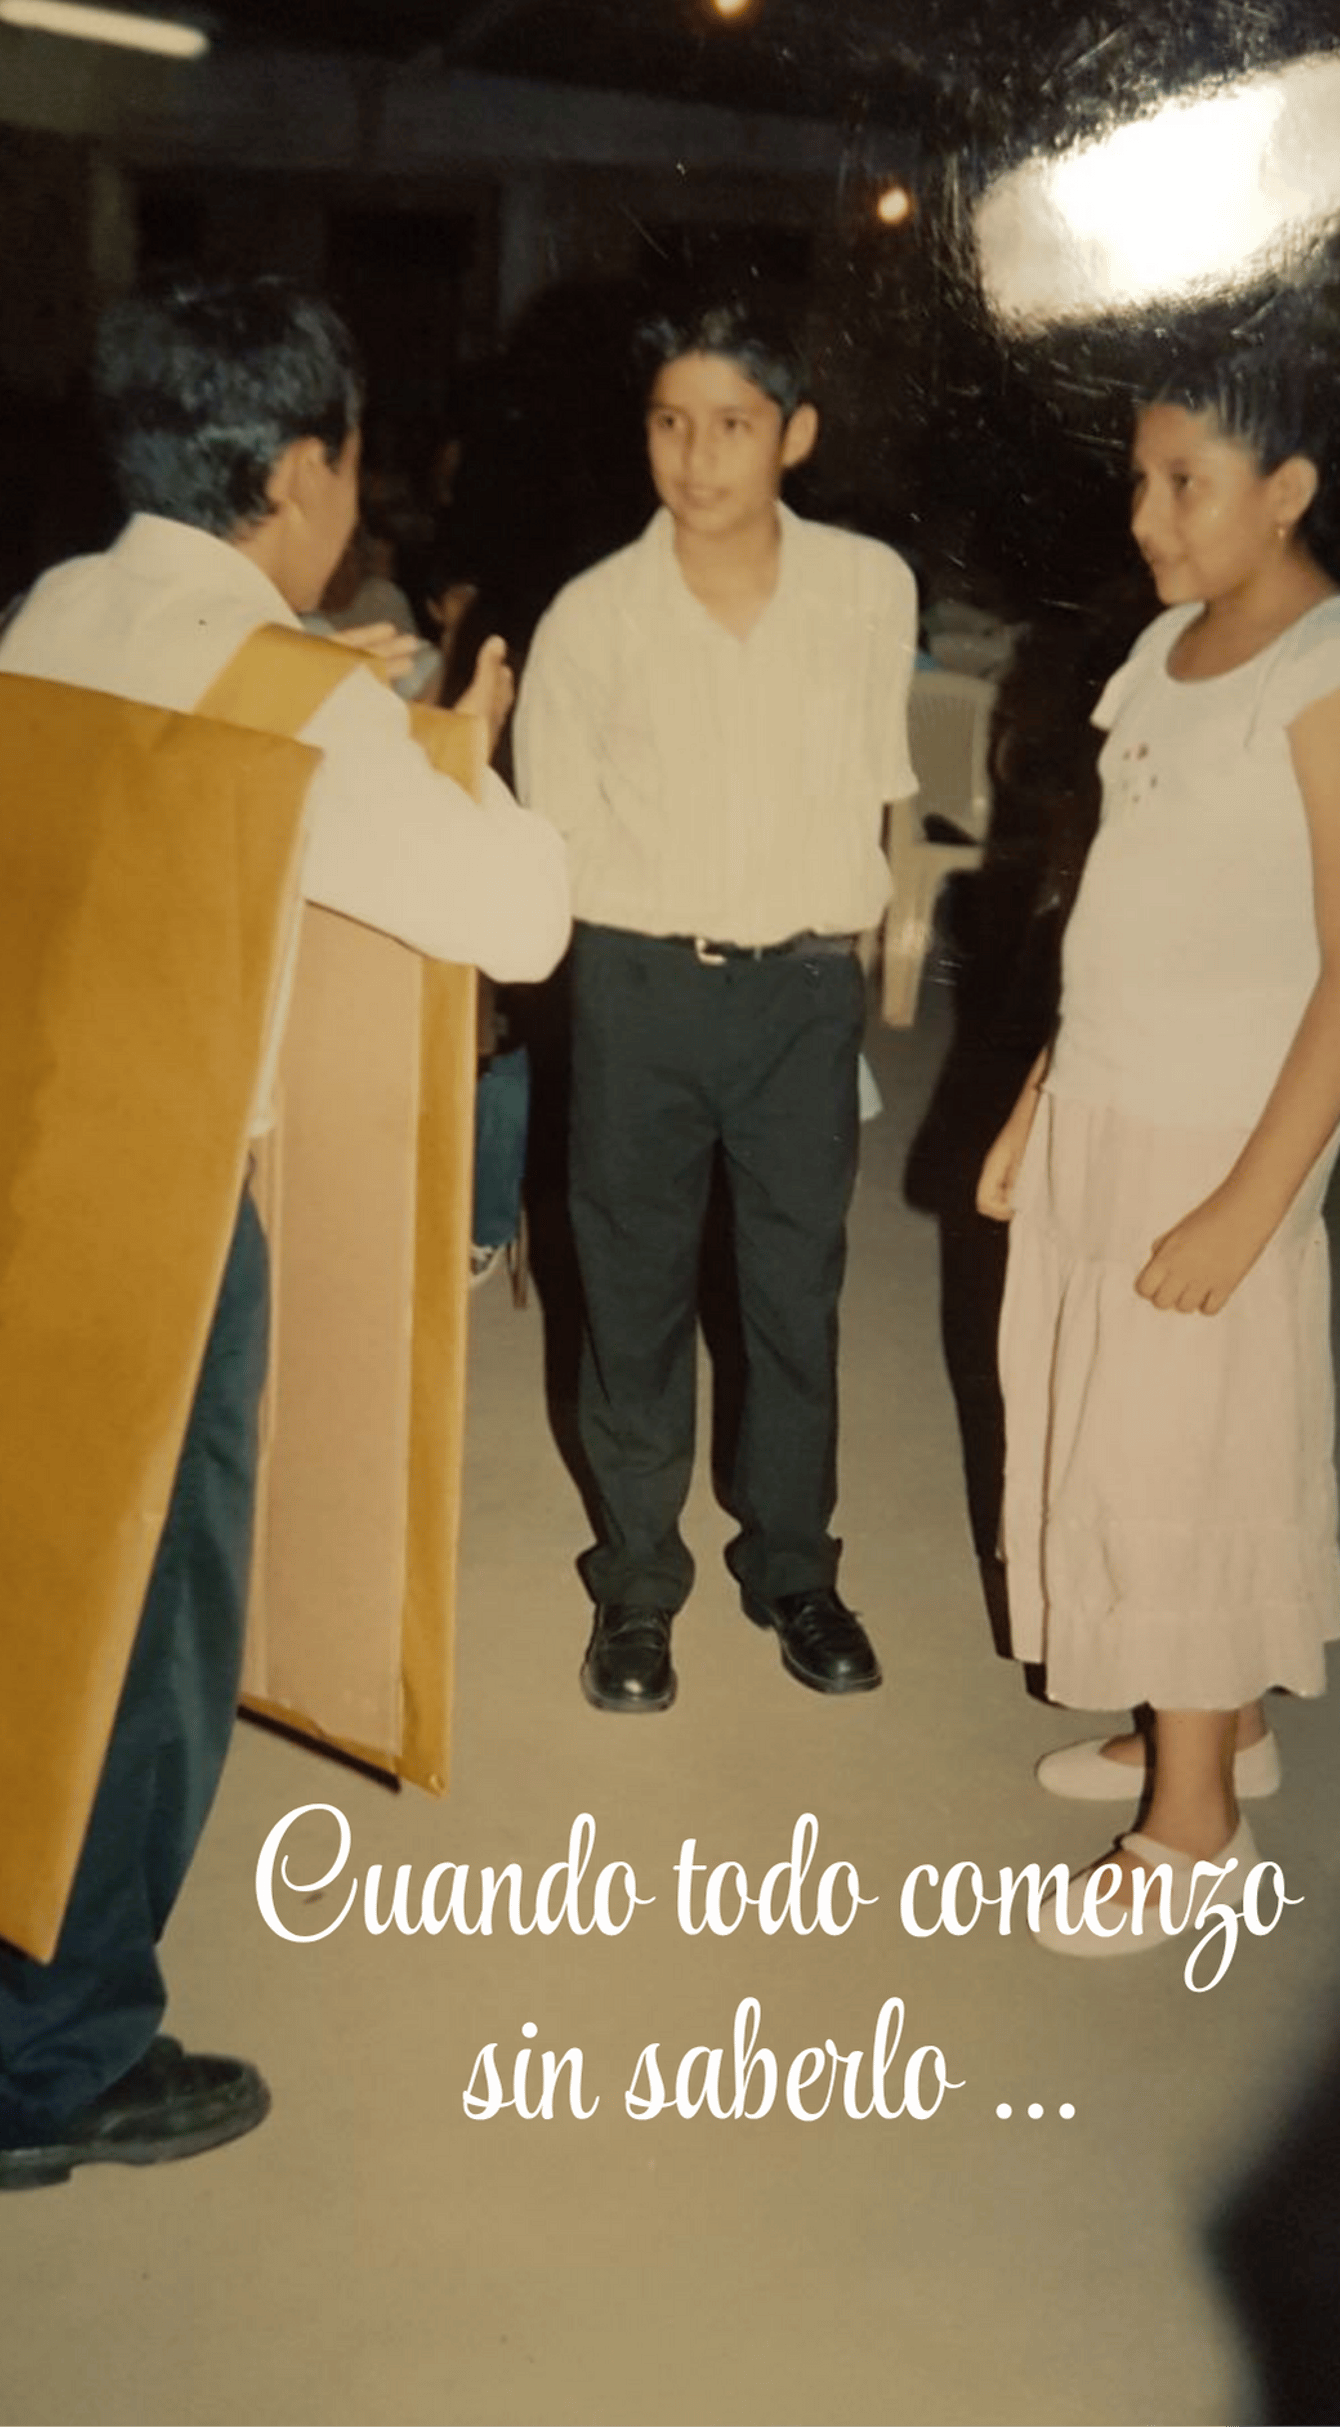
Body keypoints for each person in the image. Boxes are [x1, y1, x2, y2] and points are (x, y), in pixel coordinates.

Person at [0, 277, 569, 2187]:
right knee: (139, 1650)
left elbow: (187, 711)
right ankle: (59, 2059)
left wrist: (346, 693)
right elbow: (522, 921)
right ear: (302, 468)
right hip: (151, 1223)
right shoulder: (304, 707)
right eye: (353, 461)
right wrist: (460, 749)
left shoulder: (38, 615)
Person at [976, 342, 1340, 1958]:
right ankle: (1219, 1721)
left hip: (1224, 1132)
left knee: (1179, 1454)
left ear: (1288, 489)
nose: (1147, 514)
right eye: (1141, 477)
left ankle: (1196, 1828)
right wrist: (1039, 1094)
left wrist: (1254, 1200)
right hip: (1112, 1101)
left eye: (1188, 483)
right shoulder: (1161, 651)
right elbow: (1124, 908)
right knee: (1123, 1433)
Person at [514, 297, 916, 1714]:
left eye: (733, 424)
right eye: (671, 423)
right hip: (638, 985)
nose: (698, 458)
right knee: (631, 1289)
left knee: (793, 1288)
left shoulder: (870, 589)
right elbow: (555, 834)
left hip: (802, 989)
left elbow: (871, 789)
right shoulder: (591, 617)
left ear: (794, 434)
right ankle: (637, 1581)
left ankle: (794, 1563)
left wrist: (846, 959)